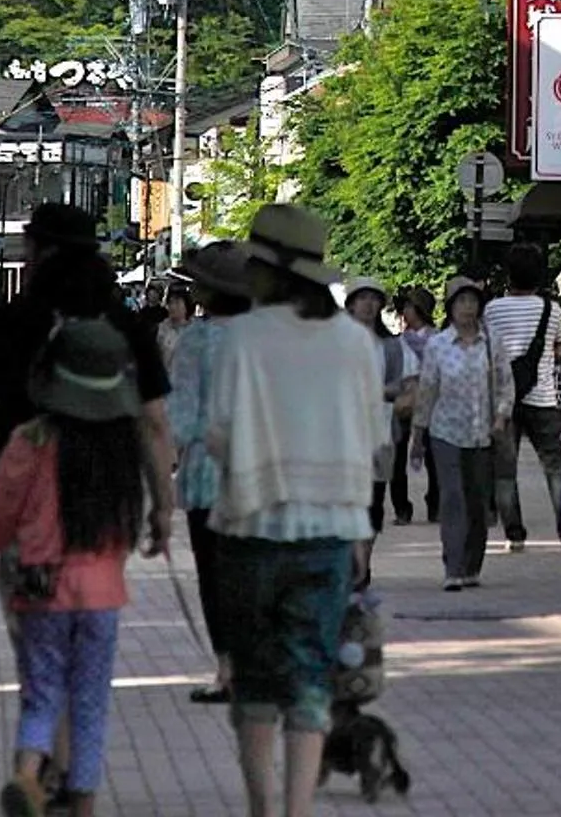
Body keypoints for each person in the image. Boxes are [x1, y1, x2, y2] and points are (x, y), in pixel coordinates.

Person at [206, 206, 387, 817]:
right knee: (312, 675)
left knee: (256, 679)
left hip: (251, 527)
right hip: (332, 530)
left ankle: (262, 808)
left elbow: (220, 436)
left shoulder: (243, 338)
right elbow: (371, 438)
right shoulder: (354, 342)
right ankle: (298, 809)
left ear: (271, 269)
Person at [0, 321, 148, 817]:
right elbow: (127, 524)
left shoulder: (30, 439)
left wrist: (2, 542)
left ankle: (29, 775)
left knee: (41, 693)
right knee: (90, 703)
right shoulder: (120, 447)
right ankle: (84, 804)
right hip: (100, 595)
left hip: (40, 587)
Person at [0, 203, 175, 563]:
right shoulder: (126, 326)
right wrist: (162, 505)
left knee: (34, 603)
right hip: (108, 489)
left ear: (42, 251)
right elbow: (154, 422)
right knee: (96, 596)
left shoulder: (11, 322)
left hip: (25, 489)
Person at [165, 241, 255, 706]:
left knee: (215, 577)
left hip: (205, 476)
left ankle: (227, 669)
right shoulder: (267, 337)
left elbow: (178, 415)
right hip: (261, 477)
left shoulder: (195, 341)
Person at [413, 274, 513, 591]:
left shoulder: (491, 342)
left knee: (478, 501)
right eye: (461, 302)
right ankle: (453, 567)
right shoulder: (438, 346)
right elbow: (427, 390)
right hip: (446, 433)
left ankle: (472, 565)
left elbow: (505, 386)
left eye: (472, 302)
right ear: (450, 308)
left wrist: (500, 417)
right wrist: (418, 433)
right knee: (453, 497)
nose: (467, 308)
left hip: (483, 434)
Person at [479, 245, 561, 553]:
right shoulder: (552, 310)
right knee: (555, 466)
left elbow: (487, 353)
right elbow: (558, 351)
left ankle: (515, 535)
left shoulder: (492, 309)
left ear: (509, 274)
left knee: (505, 471)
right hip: (542, 398)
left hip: (504, 402)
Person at [341, 275, 414, 559]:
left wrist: (385, 392)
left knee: (372, 504)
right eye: (362, 298)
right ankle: (349, 564)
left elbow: (409, 384)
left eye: (374, 299)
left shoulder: (391, 346)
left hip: (380, 437)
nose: (368, 305)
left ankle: (363, 564)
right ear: (350, 305)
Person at [390, 285, 438, 526]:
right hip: (405, 401)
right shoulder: (398, 342)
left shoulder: (437, 339)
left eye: (408, 307)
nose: (404, 312)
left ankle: (435, 503)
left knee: (433, 456)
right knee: (397, 457)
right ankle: (401, 507)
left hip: (431, 402)